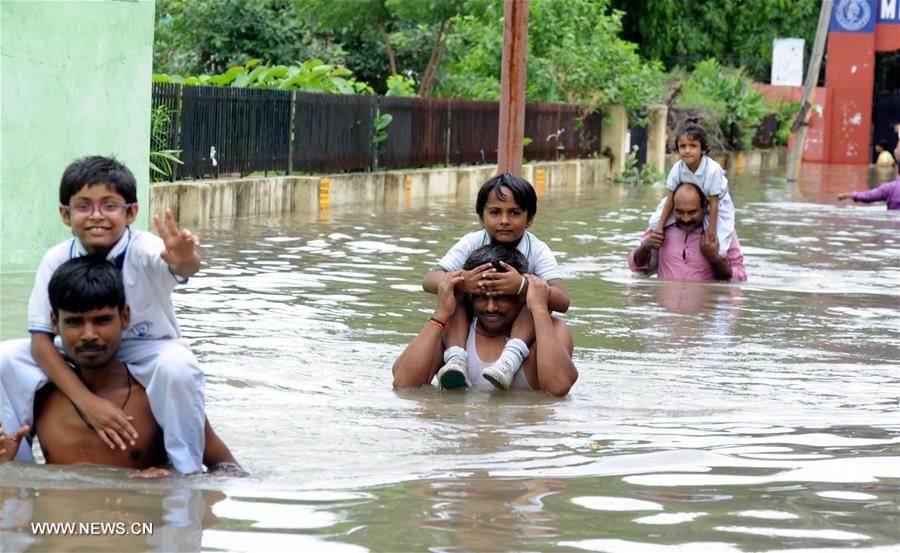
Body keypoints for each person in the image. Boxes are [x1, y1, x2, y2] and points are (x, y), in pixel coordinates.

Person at [0, 155, 225, 474]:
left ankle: (183, 471)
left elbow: (180, 266)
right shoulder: (56, 259)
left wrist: (186, 258)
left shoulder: (146, 246)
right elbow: (41, 339)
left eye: (109, 205)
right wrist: (87, 403)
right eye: (83, 206)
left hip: (149, 347)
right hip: (74, 346)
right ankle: (14, 463)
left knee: (179, 368)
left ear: (131, 212)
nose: (96, 216)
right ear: (65, 214)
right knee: (5, 357)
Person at [0, 256, 243, 477]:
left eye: (102, 320)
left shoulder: (158, 395)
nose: (89, 335)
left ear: (124, 318)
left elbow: (230, 470)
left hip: (136, 527)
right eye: (74, 322)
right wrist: (6, 464)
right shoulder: (38, 397)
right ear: (54, 323)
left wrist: (170, 483)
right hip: (56, 529)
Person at [421, 173, 570, 391]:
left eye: (514, 213)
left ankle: (510, 358)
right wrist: (463, 281)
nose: (504, 221)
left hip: (518, 318)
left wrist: (522, 285)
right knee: (452, 292)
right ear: (481, 217)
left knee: (537, 295)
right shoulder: (471, 242)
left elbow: (562, 300)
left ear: (529, 218)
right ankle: (456, 359)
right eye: (495, 212)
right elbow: (429, 280)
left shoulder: (537, 249)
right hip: (472, 316)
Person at [396, 244, 577, 397]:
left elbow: (558, 387)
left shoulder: (550, 331)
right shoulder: (450, 331)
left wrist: (538, 309)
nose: (490, 307)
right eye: (481, 297)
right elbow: (403, 385)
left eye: (502, 298)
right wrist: (441, 313)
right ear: (469, 297)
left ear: (522, 297)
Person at [650, 119, 736, 258]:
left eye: (693, 146)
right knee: (653, 224)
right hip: (685, 204)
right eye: (683, 146)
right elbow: (670, 200)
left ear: (702, 149)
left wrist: (711, 232)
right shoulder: (677, 168)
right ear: (677, 149)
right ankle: (654, 260)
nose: (687, 151)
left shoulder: (713, 170)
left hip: (716, 204)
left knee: (719, 250)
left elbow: (714, 204)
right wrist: (660, 228)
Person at [629, 182, 747, 282]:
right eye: (679, 212)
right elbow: (635, 266)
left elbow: (740, 277)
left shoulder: (721, 232)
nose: (685, 219)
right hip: (665, 308)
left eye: (692, 212)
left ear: (704, 207)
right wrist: (646, 246)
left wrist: (714, 258)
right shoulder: (662, 227)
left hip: (704, 308)